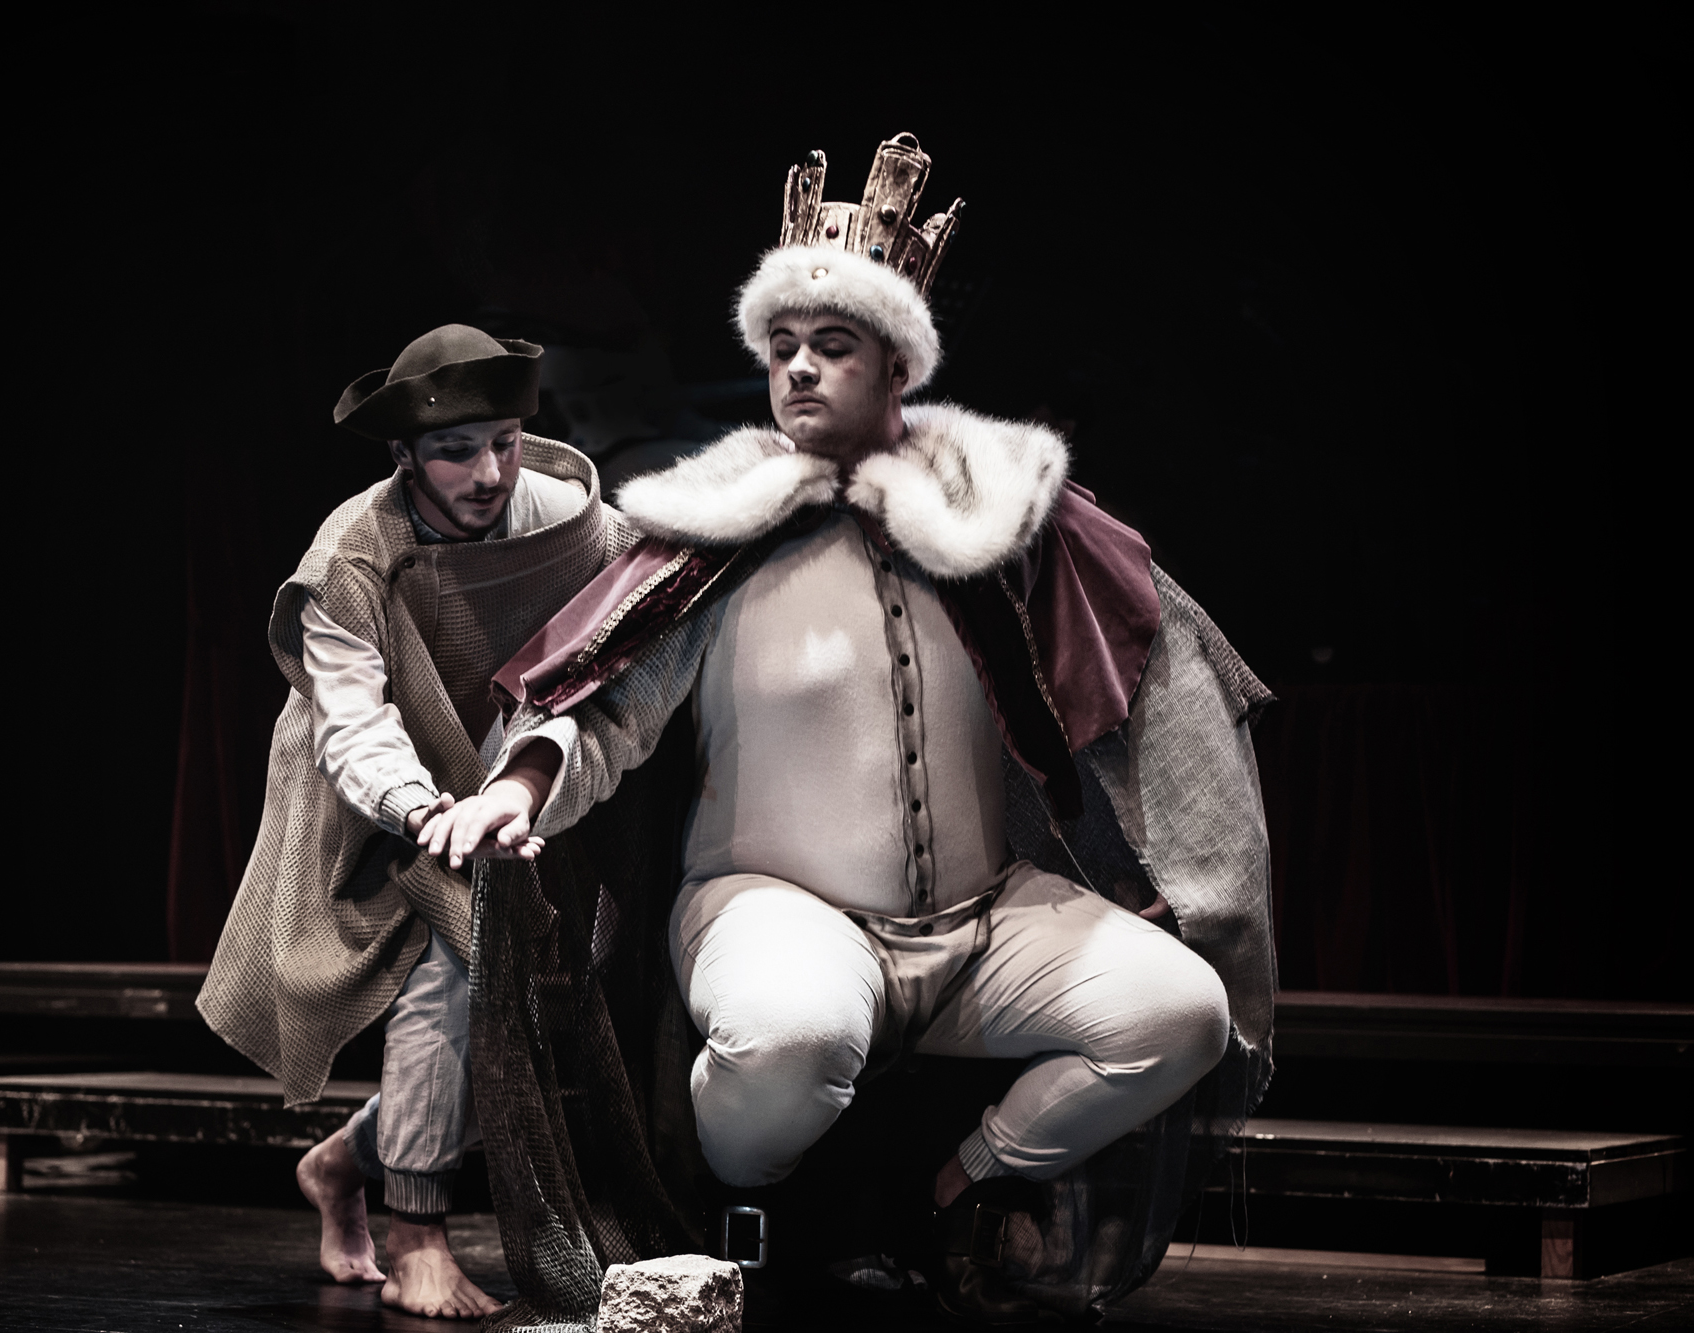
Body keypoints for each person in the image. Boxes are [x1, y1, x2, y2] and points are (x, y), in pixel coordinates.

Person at [426, 135, 1275, 1323]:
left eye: (831, 345)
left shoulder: (989, 523)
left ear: (897, 364)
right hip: (776, 906)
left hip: (982, 919)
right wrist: (519, 786)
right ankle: (738, 1204)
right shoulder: (706, 538)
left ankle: (957, 1190)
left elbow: (1126, 647)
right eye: (781, 346)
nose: (798, 369)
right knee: (791, 1035)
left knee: (1179, 1012)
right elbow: (598, 698)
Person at [195, 324, 636, 1319]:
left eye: (504, 443)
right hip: (371, 791)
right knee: (462, 953)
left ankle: (346, 1160)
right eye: (454, 449)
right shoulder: (353, 554)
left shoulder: (573, 524)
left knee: (558, 994)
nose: (487, 473)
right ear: (403, 454)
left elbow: (614, 647)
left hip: (514, 782)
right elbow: (352, 724)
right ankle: (417, 1232)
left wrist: (518, 786)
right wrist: (425, 809)